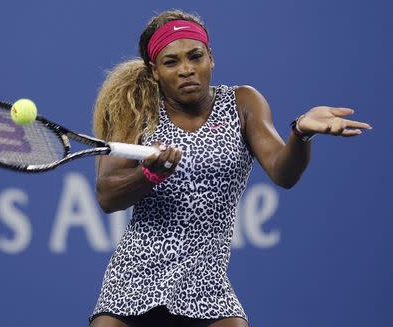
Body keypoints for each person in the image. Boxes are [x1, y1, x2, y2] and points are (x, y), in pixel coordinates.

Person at [89, 9, 371, 327]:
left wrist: (301, 132)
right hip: (131, 284)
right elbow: (107, 195)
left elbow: (284, 173)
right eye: (171, 62)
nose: (186, 70)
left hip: (207, 288)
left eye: (195, 56)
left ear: (210, 57)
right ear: (155, 71)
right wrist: (150, 174)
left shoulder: (242, 103)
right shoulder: (135, 109)